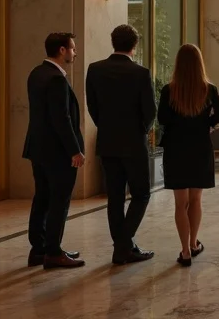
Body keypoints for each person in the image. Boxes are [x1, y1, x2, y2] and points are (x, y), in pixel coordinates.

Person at [85, 24, 156, 265]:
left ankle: (123, 247)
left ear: (113, 42)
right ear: (134, 46)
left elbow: (92, 107)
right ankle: (124, 246)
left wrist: (106, 127)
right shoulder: (141, 73)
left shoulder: (94, 70)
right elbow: (150, 111)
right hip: (134, 144)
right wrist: (141, 131)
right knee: (142, 194)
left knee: (114, 197)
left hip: (107, 142)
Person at [157, 44, 219, 267]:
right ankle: (194, 243)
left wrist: (179, 123)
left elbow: (162, 118)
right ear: (199, 64)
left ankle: (185, 251)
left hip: (176, 148)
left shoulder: (169, 90)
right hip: (200, 147)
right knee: (196, 200)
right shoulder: (209, 89)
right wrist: (206, 123)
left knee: (180, 204)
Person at [24, 32, 85, 269]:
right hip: (58, 152)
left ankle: (38, 249)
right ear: (62, 50)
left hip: (38, 149)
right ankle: (54, 252)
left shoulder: (36, 74)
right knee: (60, 200)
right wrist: (75, 150)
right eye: (72, 48)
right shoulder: (56, 79)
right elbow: (62, 120)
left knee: (42, 198)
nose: (75, 52)